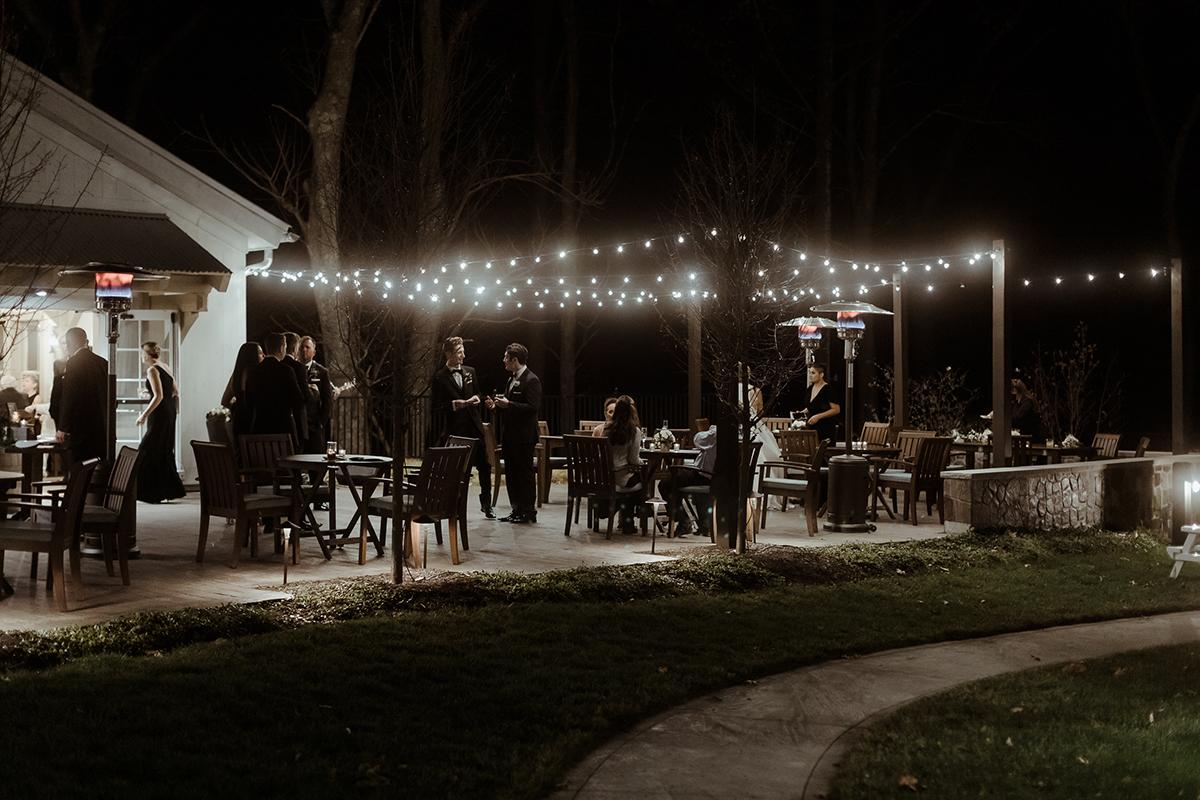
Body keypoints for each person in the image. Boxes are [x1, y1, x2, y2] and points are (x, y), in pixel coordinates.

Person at [430, 336, 494, 519]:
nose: (463, 356)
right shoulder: (439, 377)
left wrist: (476, 399)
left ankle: (487, 504)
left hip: (474, 426)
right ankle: (454, 505)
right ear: (448, 353)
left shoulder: (470, 372)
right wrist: (453, 405)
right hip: (455, 429)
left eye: (463, 352)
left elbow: (478, 393)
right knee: (455, 470)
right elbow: (435, 406)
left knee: (484, 465)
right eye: (459, 352)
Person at [484, 343, 541, 523]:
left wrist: (509, 404)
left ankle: (528, 511)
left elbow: (533, 407)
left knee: (524, 474)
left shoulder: (532, 380)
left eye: (506, 358)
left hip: (524, 437)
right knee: (512, 474)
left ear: (515, 360)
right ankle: (516, 509)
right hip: (509, 436)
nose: (503, 361)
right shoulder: (511, 380)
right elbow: (508, 407)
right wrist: (496, 407)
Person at [134, 342, 186, 503]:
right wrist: (175, 411)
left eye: (142, 352)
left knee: (146, 448)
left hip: (159, 413)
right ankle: (167, 490)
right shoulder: (165, 367)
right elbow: (175, 391)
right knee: (163, 448)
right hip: (169, 412)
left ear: (147, 354)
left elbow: (158, 396)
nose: (141, 355)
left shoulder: (152, 370)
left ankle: (149, 492)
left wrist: (143, 415)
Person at [55, 327, 108, 465]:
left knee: (80, 468)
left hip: (81, 427)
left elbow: (69, 396)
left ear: (69, 343)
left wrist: (63, 427)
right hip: (101, 425)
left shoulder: (73, 362)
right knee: (98, 466)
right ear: (86, 341)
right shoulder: (103, 362)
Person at [658, 423, 718, 535]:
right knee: (677, 481)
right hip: (717, 478)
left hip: (704, 475)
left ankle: (683, 520)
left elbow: (698, 439)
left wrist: (712, 429)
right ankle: (695, 523)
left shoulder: (717, 434)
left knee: (666, 484)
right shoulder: (739, 436)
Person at [247, 332, 304, 439]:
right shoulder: (286, 370)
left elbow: (250, 399)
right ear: (282, 348)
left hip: (259, 428)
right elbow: (298, 400)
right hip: (282, 428)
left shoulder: (254, 371)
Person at [604, 395, 644, 532]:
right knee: (643, 480)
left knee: (635, 481)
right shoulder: (634, 431)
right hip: (621, 477)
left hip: (607, 478)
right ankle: (635, 517)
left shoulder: (607, 429)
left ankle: (625, 519)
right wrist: (642, 463)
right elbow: (633, 460)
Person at [298, 336, 334, 454]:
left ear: (314, 351)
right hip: (298, 423)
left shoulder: (322, 372)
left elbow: (327, 400)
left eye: (307, 347)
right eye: (302, 347)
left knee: (315, 459)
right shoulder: (293, 370)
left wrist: (320, 422)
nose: (304, 350)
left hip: (314, 423)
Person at [222, 342, 264, 439]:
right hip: (256, 423)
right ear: (252, 356)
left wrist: (236, 407)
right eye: (260, 353)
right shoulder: (259, 376)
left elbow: (224, 401)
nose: (263, 355)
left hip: (239, 422)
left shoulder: (236, 375)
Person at [283, 332, 310, 447]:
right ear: (295, 347)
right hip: (296, 422)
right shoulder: (299, 368)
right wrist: (314, 392)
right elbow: (305, 397)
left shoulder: (277, 365)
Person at [802, 363, 840, 444]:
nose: (810, 375)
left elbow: (836, 409)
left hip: (825, 428)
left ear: (821, 374)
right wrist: (801, 413)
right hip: (811, 428)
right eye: (809, 373)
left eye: (813, 373)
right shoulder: (810, 388)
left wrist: (818, 416)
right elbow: (812, 406)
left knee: (821, 454)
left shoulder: (828, 389)